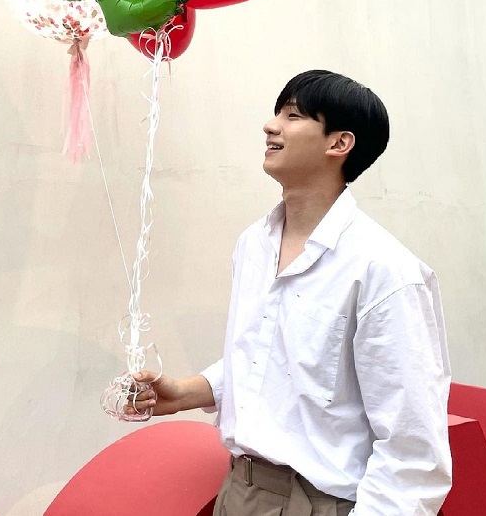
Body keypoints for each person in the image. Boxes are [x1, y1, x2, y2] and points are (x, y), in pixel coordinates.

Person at [132, 69, 452, 515]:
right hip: (238, 490)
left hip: (320, 502)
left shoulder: (385, 270)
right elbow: (271, 356)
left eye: (293, 115)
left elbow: (412, 449)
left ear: (339, 143)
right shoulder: (254, 244)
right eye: (276, 113)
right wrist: (186, 392)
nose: (271, 126)